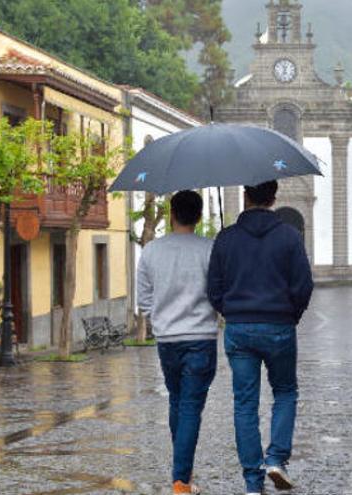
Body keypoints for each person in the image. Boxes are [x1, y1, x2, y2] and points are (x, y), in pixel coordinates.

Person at [207, 180, 314, 495]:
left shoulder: (226, 238)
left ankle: (253, 483)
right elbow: (304, 285)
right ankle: (276, 459)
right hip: (279, 326)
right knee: (285, 393)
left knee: (244, 403)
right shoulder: (289, 237)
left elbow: (213, 287)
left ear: (245, 196)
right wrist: (290, 315)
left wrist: (230, 312)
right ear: (274, 197)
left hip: (239, 329)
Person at [136, 190, 218, 495]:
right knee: (190, 407)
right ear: (198, 217)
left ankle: (182, 473)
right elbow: (219, 292)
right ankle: (181, 481)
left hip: (167, 339)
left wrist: (158, 321)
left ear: (171, 214)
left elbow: (144, 297)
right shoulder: (210, 249)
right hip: (200, 338)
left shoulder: (152, 251)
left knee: (177, 401)